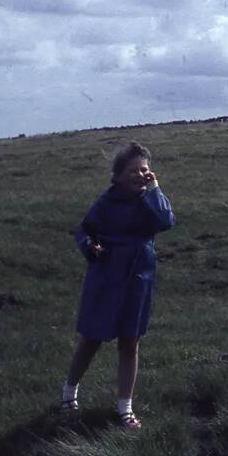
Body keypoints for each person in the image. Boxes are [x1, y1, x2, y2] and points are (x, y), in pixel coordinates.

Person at [60, 141, 176, 429]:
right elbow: (85, 230)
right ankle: (68, 395)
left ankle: (125, 409)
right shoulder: (106, 202)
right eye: (133, 170)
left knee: (130, 341)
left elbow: (166, 221)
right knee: (91, 338)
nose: (140, 175)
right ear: (118, 174)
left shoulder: (150, 199)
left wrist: (155, 189)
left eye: (145, 169)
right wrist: (90, 247)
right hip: (106, 278)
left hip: (139, 278)